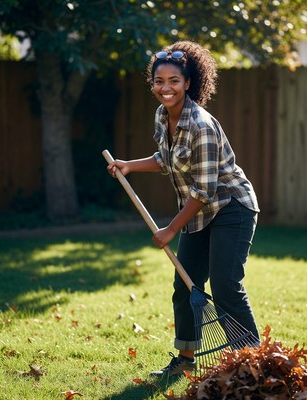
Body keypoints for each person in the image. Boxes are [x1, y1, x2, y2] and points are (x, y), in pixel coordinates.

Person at [107, 40, 260, 378]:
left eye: (174, 81)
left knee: (225, 285)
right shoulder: (163, 115)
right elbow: (167, 158)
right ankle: (186, 359)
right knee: (185, 286)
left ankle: (252, 365)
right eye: (159, 81)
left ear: (188, 83)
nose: (166, 88)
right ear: (152, 85)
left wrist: (170, 229)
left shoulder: (201, 126)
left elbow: (204, 191)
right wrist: (129, 165)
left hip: (230, 207)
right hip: (200, 211)